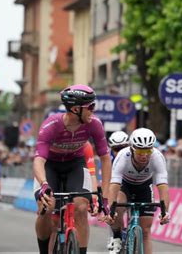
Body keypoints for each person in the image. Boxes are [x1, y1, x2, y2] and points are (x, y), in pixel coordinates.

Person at [33, 84, 112, 254]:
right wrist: (44, 183)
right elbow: (39, 160)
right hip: (50, 167)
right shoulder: (51, 125)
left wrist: (104, 198)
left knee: (81, 208)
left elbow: (105, 160)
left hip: (75, 164)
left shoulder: (94, 124)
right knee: (47, 207)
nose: (93, 110)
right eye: (90, 107)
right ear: (76, 109)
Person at [105, 128, 170, 254]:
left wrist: (165, 212)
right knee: (118, 204)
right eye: (140, 151)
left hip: (144, 186)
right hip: (125, 185)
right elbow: (114, 185)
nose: (144, 155)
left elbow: (163, 187)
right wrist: (111, 211)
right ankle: (117, 235)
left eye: (148, 150)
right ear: (132, 148)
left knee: (146, 230)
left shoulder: (157, 157)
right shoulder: (123, 156)